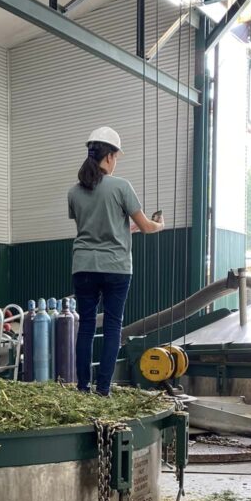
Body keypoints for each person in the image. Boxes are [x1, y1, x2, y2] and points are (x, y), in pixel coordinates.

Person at [67, 127, 165, 396]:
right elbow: (145, 226)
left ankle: (83, 387)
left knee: (85, 326)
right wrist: (160, 224)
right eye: (116, 157)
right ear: (109, 156)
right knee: (112, 327)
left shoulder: (74, 192)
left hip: (84, 266)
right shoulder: (121, 186)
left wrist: (123, 229)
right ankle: (103, 390)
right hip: (116, 268)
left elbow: (90, 227)